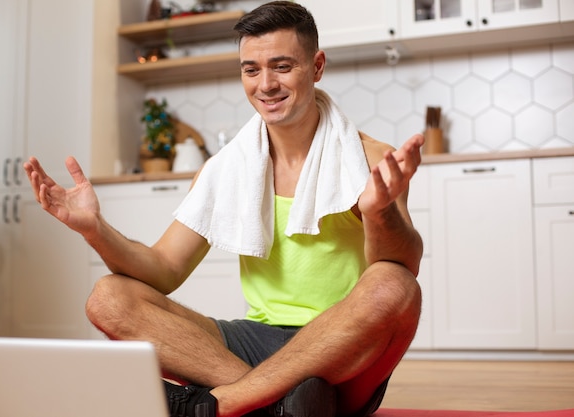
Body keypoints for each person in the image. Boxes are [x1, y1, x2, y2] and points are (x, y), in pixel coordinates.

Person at [24, 2, 424, 416]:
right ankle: (280, 405)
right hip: (253, 341)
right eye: (251, 69)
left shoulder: (371, 160)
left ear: (317, 65)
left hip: (343, 347)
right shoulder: (226, 170)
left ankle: (224, 402)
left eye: (282, 66)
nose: (265, 84)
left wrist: (379, 212)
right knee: (107, 297)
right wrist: (95, 229)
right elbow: (163, 268)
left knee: (396, 286)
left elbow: (402, 263)